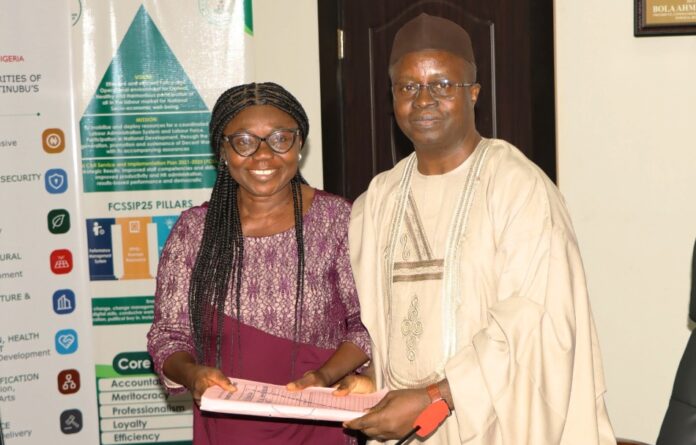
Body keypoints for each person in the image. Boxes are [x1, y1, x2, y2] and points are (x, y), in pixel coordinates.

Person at [345, 13, 616, 444]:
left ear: (474, 93)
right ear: (392, 97)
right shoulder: (379, 198)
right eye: (409, 86)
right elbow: (373, 323)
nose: (424, 99)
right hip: (399, 428)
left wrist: (436, 396)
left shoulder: (517, 187)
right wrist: (364, 380)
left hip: (495, 428)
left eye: (442, 85)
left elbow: (535, 328)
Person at [147, 81, 370, 444]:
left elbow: (366, 326)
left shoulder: (338, 220)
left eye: (280, 138)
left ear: (300, 144)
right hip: (230, 425)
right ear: (223, 149)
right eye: (244, 141)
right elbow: (167, 335)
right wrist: (193, 374)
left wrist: (324, 377)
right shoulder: (194, 230)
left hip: (319, 420)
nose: (263, 155)